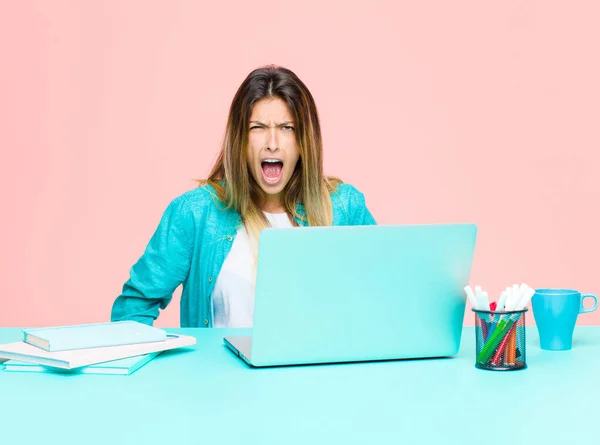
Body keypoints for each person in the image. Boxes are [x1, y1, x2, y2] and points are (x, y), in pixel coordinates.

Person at [110, 65, 376, 328]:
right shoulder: (195, 213)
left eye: (287, 127)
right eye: (257, 127)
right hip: (219, 372)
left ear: (305, 139)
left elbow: (386, 296)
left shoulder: (345, 207)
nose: (272, 142)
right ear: (240, 139)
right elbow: (132, 310)